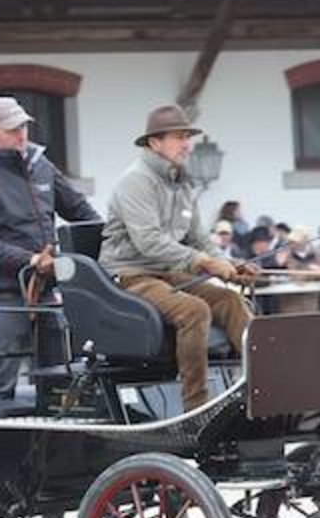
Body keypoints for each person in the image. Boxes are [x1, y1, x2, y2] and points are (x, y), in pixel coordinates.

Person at [99, 104, 254, 412]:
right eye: (179, 137)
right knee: (193, 310)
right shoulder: (135, 182)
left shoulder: (182, 183)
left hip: (168, 273)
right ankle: (196, 406)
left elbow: (200, 238)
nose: (187, 144)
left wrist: (231, 264)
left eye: (188, 137)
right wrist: (206, 263)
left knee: (232, 301)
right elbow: (149, 242)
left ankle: (264, 387)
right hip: (131, 276)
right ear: (155, 143)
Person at [0, 96, 102, 400]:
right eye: (11, 129)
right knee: (2, 384)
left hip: (48, 292)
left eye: (23, 126)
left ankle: (54, 446)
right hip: (3, 297)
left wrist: (106, 242)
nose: (21, 134)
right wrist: (30, 259)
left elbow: (81, 211)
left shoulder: (42, 166)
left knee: (57, 381)